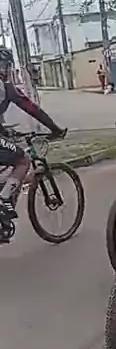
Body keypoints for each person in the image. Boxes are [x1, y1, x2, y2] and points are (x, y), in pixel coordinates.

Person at [0, 48, 66, 221]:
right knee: (23, 160)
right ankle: (4, 199)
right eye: (6, 66)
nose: (7, 70)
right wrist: (55, 129)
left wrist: (5, 132)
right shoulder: (6, 87)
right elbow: (32, 108)